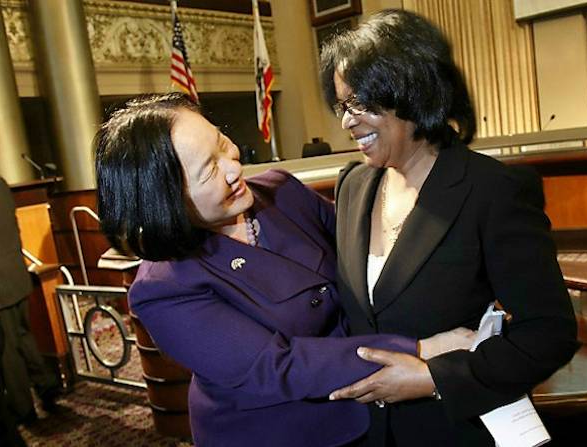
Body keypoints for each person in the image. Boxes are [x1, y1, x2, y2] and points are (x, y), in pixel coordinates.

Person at [95, 93, 475, 447]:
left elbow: (364, 255)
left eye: (221, 143)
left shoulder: (279, 191)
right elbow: (275, 366)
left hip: (371, 406)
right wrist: (419, 349)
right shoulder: (164, 287)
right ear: (165, 200)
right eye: (209, 169)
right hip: (286, 431)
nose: (232, 166)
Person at [320, 9, 579, 446]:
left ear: (413, 91)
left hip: (451, 430)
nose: (347, 122)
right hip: (364, 434)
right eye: (342, 106)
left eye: (361, 103)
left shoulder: (493, 189)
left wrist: (431, 376)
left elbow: (548, 333)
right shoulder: (352, 185)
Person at [0, 176, 60, 427]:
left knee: (7, 350)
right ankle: (47, 388)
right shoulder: (1, 183)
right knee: (24, 337)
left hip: (0, 288)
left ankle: (24, 409)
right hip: (15, 274)